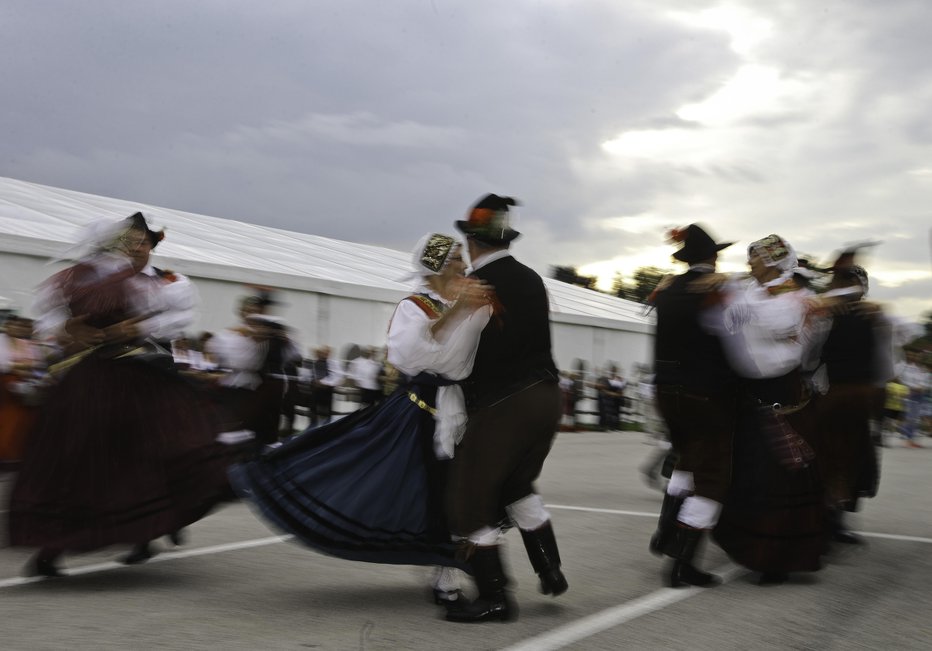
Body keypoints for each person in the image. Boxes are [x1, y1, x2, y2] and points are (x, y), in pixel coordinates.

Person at [229, 233, 492, 606]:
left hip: (466, 408)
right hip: (421, 413)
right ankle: (445, 577)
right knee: (430, 490)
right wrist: (457, 311)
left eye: (463, 259)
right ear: (434, 269)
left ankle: (473, 564)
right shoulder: (415, 306)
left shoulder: (473, 302)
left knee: (469, 489)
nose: (464, 266)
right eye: (455, 260)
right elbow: (410, 356)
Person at [8, 212, 230, 576]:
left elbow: (175, 318)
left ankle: (147, 530)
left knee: (152, 451)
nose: (135, 247)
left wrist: (133, 327)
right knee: (77, 454)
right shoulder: (75, 279)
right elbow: (49, 323)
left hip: (143, 372)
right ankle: (56, 546)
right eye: (128, 241)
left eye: (141, 242)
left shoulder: (159, 281)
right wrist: (70, 330)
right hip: (92, 376)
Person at [445, 194, 567, 623]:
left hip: (506, 402)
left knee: (469, 497)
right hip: (547, 397)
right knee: (516, 485)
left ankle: (495, 598)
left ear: (472, 243)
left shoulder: (478, 286)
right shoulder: (531, 279)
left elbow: (458, 353)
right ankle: (549, 568)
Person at [711, 233, 828, 585]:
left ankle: (777, 557)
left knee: (777, 473)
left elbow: (780, 324)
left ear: (774, 261)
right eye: (750, 257)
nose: (750, 263)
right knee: (747, 469)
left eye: (756, 258)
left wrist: (739, 306)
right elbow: (727, 323)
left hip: (780, 389)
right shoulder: (750, 291)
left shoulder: (795, 294)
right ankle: (750, 543)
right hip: (747, 389)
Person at [647, 224, 738, 587]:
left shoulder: (667, 289)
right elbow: (733, 343)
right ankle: (683, 562)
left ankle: (665, 535)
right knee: (713, 478)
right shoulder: (718, 290)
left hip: (665, 391)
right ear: (713, 257)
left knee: (685, 460)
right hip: (704, 392)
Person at [811, 260, 887, 544]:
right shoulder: (826, 314)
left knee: (844, 461)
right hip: (837, 396)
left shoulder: (870, 317)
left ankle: (834, 519)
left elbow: (883, 367)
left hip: (843, 397)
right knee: (838, 460)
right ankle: (830, 520)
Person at [0, 316, 46, 468]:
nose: (18, 328)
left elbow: (37, 364)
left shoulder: (27, 343)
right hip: (5, 386)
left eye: (21, 326)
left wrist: (18, 367)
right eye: (14, 325)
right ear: (7, 326)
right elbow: (4, 365)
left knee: (23, 420)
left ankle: (17, 455)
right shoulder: (2, 341)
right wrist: (20, 367)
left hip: (24, 386)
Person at [307, 345, 342, 426]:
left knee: (326, 412)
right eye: (322, 352)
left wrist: (324, 383)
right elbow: (308, 376)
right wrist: (314, 382)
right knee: (313, 411)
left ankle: (325, 428)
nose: (323, 354)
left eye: (326, 352)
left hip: (327, 390)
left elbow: (337, 377)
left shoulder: (332, 363)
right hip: (315, 390)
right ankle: (312, 428)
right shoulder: (314, 363)